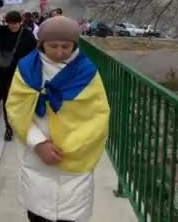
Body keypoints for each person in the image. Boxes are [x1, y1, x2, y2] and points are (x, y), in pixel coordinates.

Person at [6, 16, 110, 222]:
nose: (60, 52)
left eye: (66, 46)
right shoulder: (27, 69)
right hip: (37, 157)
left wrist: (70, 148)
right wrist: (39, 144)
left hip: (74, 159)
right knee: (37, 214)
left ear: (75, 45)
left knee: (70, 215)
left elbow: (98, 117)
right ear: (41, 44)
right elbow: (16, 110)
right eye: (53, 46)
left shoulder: (87, 72)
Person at [0, 0, 37, 141]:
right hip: (5, 73)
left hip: (21, 74)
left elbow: (34, 53)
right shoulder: (4, 31)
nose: (13, 26)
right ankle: (8, 128)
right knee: (7, 101)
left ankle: (21, 124)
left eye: (15, 23)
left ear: (20, 22)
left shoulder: (27, 35)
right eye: (10, 23)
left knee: (21, 101)